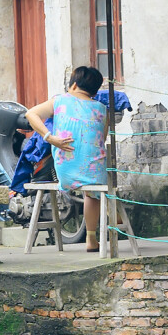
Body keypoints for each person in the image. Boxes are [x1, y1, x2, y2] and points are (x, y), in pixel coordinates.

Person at [26, 66, 108, 252]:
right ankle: (91, 238)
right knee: (93, 193)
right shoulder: (102, 109)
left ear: (74, 85)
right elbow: (102, 138)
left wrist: (50, 138)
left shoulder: (60, 101)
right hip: (94, 174)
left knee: (83, 178)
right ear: (94, 91)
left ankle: (104, 218)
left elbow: (31, 114)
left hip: (65, 172)